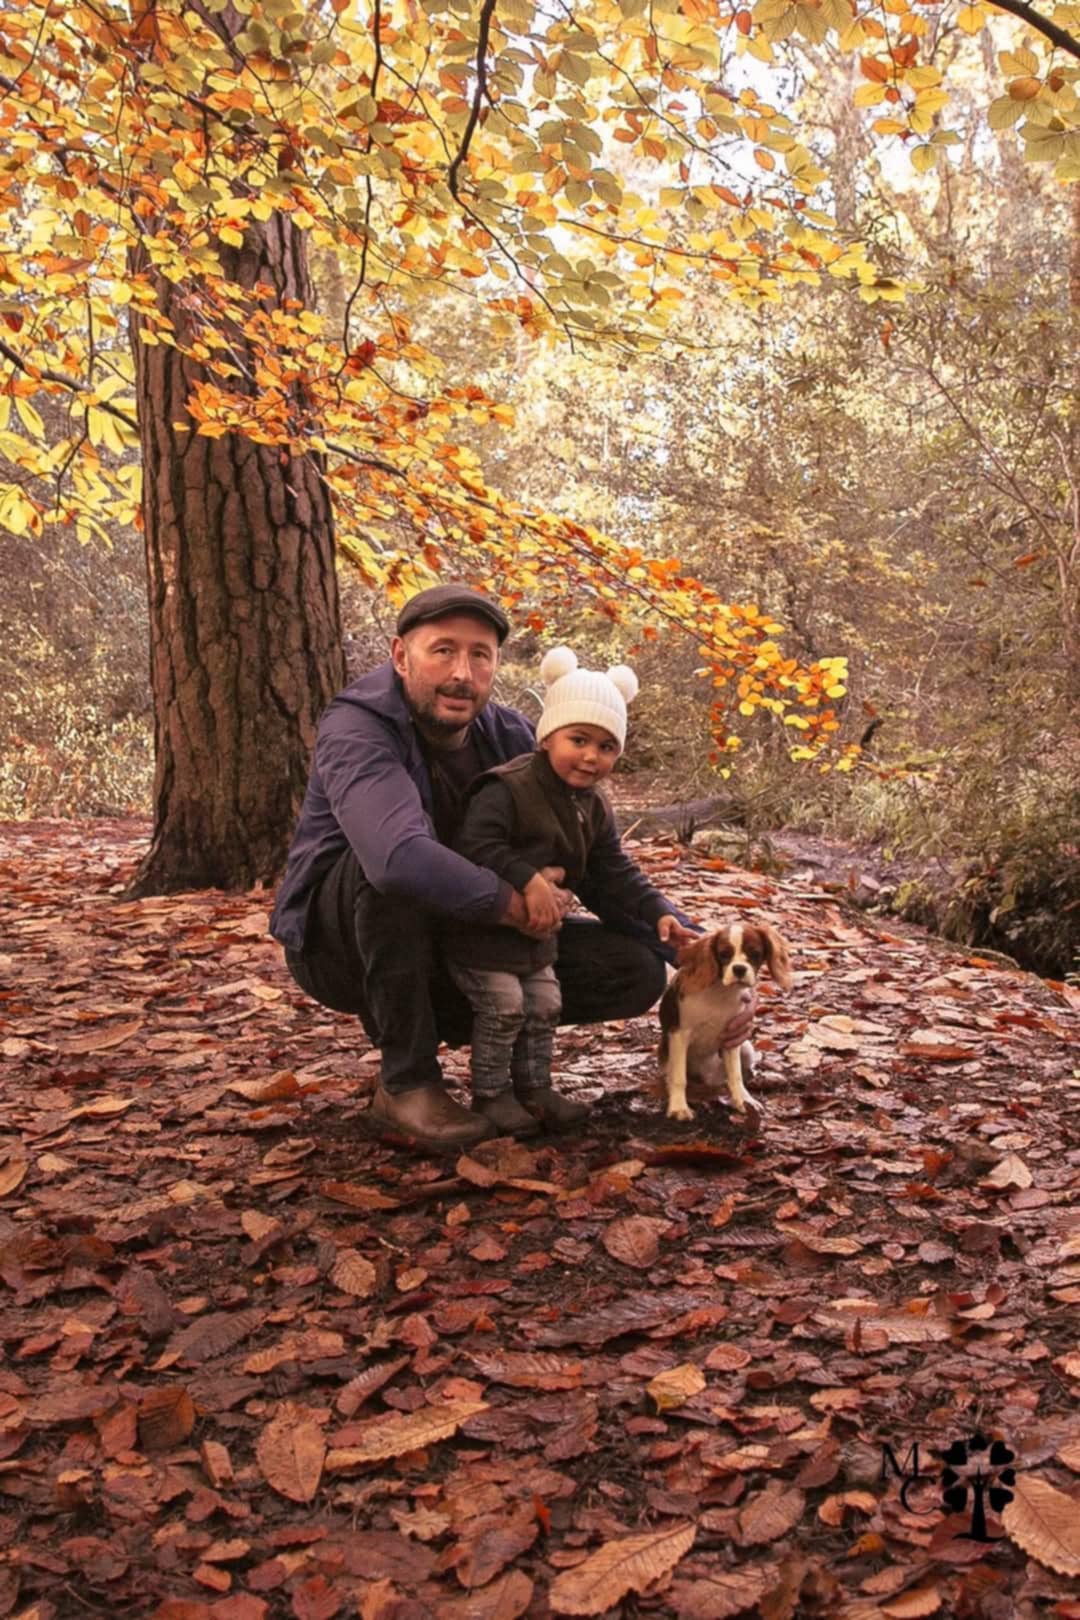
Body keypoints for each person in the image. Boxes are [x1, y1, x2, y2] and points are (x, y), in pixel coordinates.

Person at [269, 583, 755, 1151]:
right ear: (402, 656)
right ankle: (407, 1083)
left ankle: (509, 1082)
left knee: (635, 968)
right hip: (342, 946)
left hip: (460, 938)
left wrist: (702, 959)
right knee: (389, 876)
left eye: (480, 655)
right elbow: (398, 859)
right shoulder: (359, 727)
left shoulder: (512, 737)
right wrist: (511, 902)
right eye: (442, 650)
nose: (462, 672)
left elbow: (596, 863)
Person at [445, 646, 682, 1139]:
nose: (591, 756)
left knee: (544, 1004)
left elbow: (613, 870)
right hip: (484, 935)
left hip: (537, 940)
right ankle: (492, 1094)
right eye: (579, 739)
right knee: (504, 1006)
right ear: (549, 736)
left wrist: (657, 910)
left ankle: (536, 1087)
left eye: (607, 747)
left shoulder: (591, 806)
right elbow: (473, 846)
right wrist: (528, 878)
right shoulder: (508, 788)